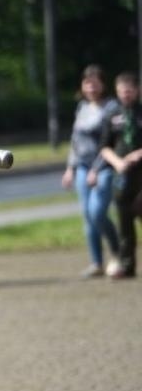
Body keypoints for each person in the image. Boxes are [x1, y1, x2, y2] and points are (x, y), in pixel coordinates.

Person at [65, 65, 122, 279]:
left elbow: (110, 142)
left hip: (104, 167)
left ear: (103, 84)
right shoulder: (82, 108)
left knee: (98, 213)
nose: (91, 87)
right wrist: (70, 168)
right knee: (88, 216)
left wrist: (97, 170)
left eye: (95, 83)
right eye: (87, 83)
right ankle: (96, 262)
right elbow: (75, 141)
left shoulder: (111, 107)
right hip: (82, 166)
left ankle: (117, 253)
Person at [101, 72, 142, 279]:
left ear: (137, 90)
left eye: (129, 90)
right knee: (124, 223)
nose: (125, 94)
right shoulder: (112, 114)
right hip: (123, 175)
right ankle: (127, 266)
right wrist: (118, 162)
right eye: (121, 91)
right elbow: (105, 147)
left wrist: (137, 155)